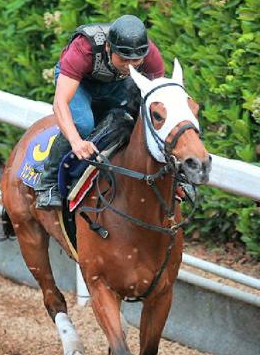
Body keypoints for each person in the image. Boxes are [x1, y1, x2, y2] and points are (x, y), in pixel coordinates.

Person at [35, 14, 165, 209]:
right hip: (80, 85)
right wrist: (75, 141)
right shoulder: (84, 48)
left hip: (115, 84)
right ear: (107, 47)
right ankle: (48, 184)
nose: (130, 66)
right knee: (83, 124)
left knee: (134, 119)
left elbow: (158, 103)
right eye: (123, 59)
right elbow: (60, 103)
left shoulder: (150, 54)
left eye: (136, 60)